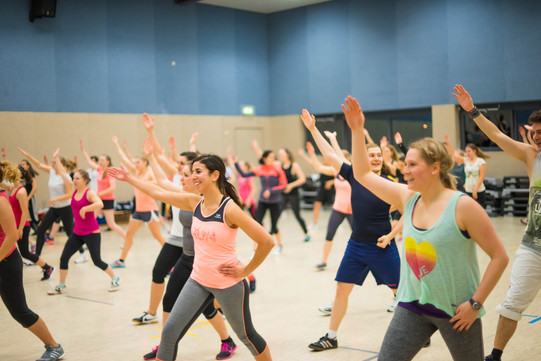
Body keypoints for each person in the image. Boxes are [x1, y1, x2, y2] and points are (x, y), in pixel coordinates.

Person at [343, 94, 508, 360]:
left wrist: (475, 304)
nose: (404, 170)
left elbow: (500, 257)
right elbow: (362, 174)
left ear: (435, 168)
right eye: (405, 163)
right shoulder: (407, 198)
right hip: (412, 306)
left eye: (411, 165)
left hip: (457, 311)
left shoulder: (463, 207)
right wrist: (356, 130)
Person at [108, 154, 274, 361]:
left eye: (198, 172)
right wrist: (130, 178)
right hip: (198, 280)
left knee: (247, 336)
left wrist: (245, 271)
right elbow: (158, 192)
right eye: (192, 171)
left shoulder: (229, 209)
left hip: (228, 283)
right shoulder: (194, 203)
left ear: (215, 175)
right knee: (169, 332)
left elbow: (266, 241)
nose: (192, 176)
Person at [300, 109, 402, 352]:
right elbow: (329, 154)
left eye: (379, 155)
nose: (376, 158)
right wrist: (313, 128)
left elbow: (409, 213)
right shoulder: (355, 175)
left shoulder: (392, 184)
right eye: (371, 155)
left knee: (401, 292)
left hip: (383, 246)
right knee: (341, 291)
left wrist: (390, 235)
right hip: (356, 246)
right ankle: (331, 336)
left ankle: (418, 330)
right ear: (363, 157)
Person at [453, 84, 541, 361]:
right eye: (534, 132)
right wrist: (473, 111)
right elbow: (496, 135)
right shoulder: (531, 155)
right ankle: (495, 356)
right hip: (533, 246)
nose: (537, 136)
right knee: (512, 304)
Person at [0, 161, 65, 361]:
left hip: (6, 261)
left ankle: (54, 346)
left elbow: (11, 236)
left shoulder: (1, 199)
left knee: (20, 312)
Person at [46, 150, 120, 295]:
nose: (74, 180)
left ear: (85, 180)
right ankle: (61, 285)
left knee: (97, 261)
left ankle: (116, 278)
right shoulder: (74, 190)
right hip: (77, 233)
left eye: (78, 179)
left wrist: (86, 208)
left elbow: (99, 204)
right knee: (64, 258)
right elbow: (63, 174)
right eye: (74, 178)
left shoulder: (89, 193)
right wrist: (56, 159)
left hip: (92, 233)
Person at [109, 135, 165, 268]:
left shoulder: (150, 173)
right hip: (138, 211)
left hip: (150, 210)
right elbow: (124, 158)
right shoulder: (136, 172)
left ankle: (175, 255)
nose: (135, 164)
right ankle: (121, 260)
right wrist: (117, 144)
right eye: (135, 163)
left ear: (145, 163)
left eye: (138, 162)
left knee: (157, 236)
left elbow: (160, 182)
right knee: (128, 235)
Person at [299, 140, 352, 271]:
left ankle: (366, 258)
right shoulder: (335, 171)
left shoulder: (353, 172)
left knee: (359, 235)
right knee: (329, 234)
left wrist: (334, 140)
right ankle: (323, 261)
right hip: (338, 209)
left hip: (352, 210)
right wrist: (312, 153)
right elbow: (319, 167)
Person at [17, 147, 78, 258]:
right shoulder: (51, 171)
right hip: (55, 209)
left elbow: (70, 194)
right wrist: (26, 154)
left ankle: (82, 253)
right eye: (52, 162)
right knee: (41, 230)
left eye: (55, 162)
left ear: (61, 164)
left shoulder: (64, 176)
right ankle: (37, 256)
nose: (52, 164)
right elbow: (38, 164)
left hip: (65, 207)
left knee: (70, 233)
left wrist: (55, 199)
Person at [0, 162, 54, 280]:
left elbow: (25, 212)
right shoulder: (12, 188)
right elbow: (2, 184)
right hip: (15, 226)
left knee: (25, 253)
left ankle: (47, 267)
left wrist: (19, 229)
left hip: (22, 226)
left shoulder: (21, 191)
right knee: (20, 252)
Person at [235, 148, 287, 253]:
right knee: (258, 224)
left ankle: (279, 245)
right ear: (264, 158)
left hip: (275, 202)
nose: (273, 158)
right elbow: (244, 175)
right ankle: (255, 248)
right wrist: (236, 163)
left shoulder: (277, 169)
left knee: (274, 226)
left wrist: (271, 191)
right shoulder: (260, 169)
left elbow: (284, 185)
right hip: (263, 201)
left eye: (274, 157)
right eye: (270, 156)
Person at [79, 141, 127, 243]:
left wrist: (100, 194)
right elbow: (89, 161)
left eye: (102, 160)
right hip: (99, 200)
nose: (100, 161)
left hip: (108, 200)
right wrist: (83, 150)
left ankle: (127, 239)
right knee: (91, 219)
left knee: (111, 225)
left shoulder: (110, 171)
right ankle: (85, 242)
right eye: (100, 160)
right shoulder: (100, 169)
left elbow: (112, 188)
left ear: (107, 162)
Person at [446, 138, 489, 208]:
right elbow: (453, 155)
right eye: (466, 151)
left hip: (478, 191)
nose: (467, 153)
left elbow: (482, 177)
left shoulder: (481, 161)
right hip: (468, 190)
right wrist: (448, 144)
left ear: (474, 151)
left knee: (478, 211)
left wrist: (475, 189)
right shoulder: (466, 161)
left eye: (469, 151)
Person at [19, 159, 40, 233]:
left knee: (34, 217)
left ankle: (44, 231)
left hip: (30, 198)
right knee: (25, 216)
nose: (22, 166)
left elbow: (35, 188)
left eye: (23, 164)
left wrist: (28, 198)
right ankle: (35, 230)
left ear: (28, 166)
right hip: (23, 198)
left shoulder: (31, 174)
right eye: (21, 164)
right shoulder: (21, 175)